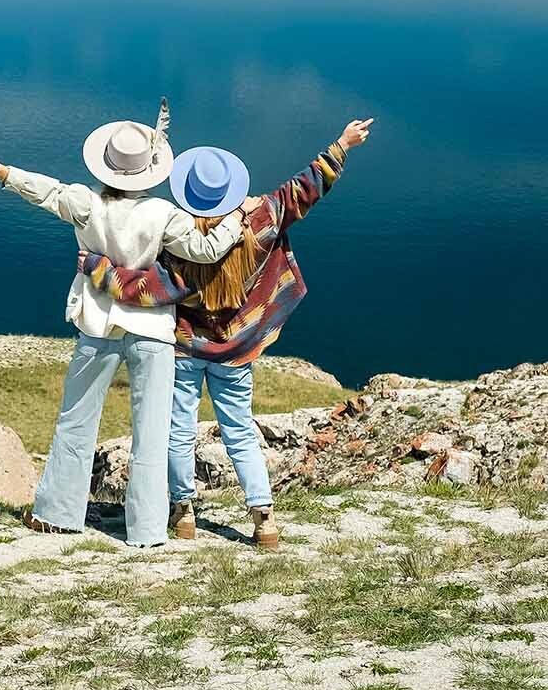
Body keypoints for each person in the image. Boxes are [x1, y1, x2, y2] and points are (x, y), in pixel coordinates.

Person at [0, 99, 246, 548]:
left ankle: (57, 515)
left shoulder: (86, 203)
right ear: (150, 169)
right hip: (152, 330)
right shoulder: (163, 214)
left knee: (76, 419)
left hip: (97, 324)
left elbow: (46, 191)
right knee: (152, 429)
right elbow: (205, 252)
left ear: (108, 166)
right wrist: (236, 221)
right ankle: (146, 529)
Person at [74, 118, 373, 549]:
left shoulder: (176, 243)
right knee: (239, 430)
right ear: (231, 190)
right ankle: (263, 518)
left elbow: (143, 288)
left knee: (179, 430)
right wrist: (343, 144)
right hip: (238, 350)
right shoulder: (261, 220)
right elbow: (304, 188)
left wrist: (94, 267)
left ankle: (184, 511)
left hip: (186, 348)